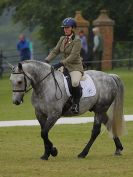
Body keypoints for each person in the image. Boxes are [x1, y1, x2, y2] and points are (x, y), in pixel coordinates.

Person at [44, 17, 84, 114]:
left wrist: (60, 63)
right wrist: (46, 60)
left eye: (67, 27)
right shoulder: (62, 39)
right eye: (64, 28)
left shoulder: (77, 40)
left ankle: (76, 104)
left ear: (73, 28)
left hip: (75, 67)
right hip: (64, 67)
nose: (65, 29)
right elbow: (55, 51)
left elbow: (73, 56)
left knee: (74, 82)